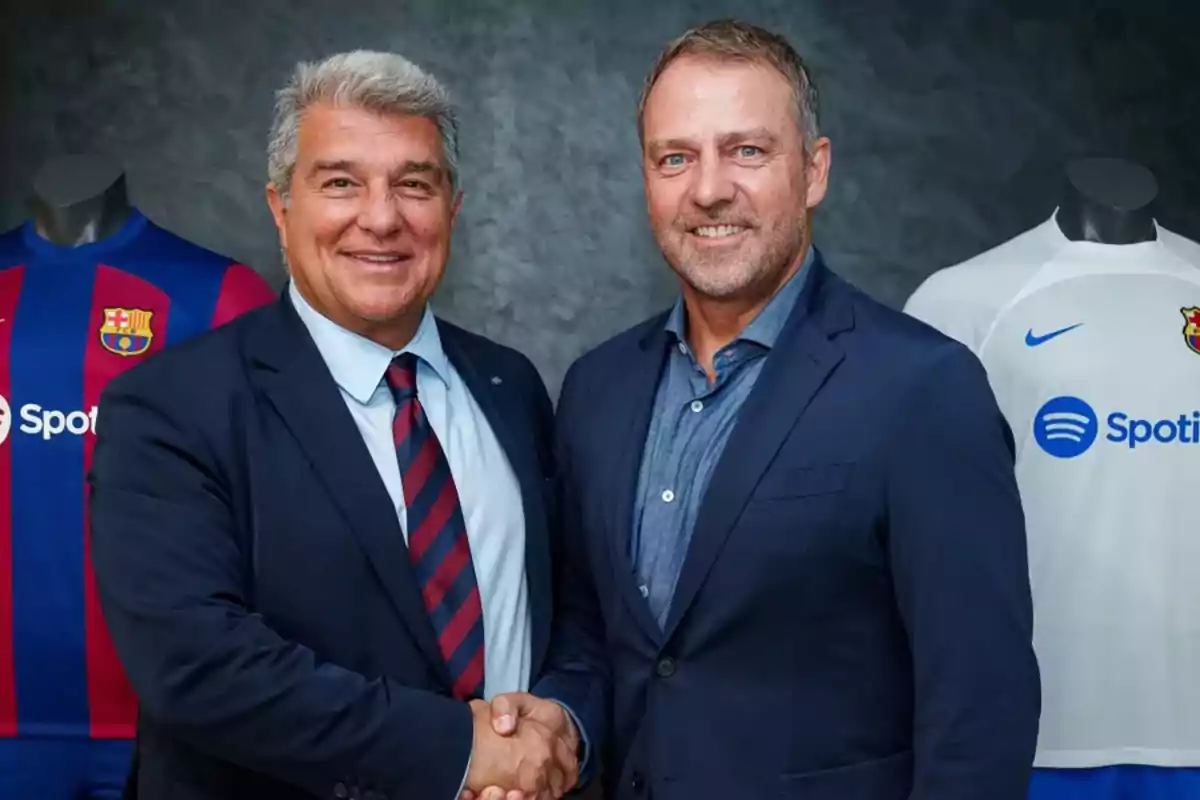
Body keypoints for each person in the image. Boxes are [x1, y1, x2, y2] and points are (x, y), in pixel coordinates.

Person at [477, 18, 1042, 800]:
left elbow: (980, 709)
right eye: (676, 157)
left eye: (747, 150)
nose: (708, 188)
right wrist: (561, 727)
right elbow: (595, 638)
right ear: (647, 180)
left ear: (813, 172)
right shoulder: (596, 389)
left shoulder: (923, 389)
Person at [87, 50, 578, 800]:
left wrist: (562, 726)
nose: (381, 218)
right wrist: (461, 753)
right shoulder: (169, 408)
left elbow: (575, 611)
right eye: (340, 182)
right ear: (281, 209)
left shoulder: (511, 387)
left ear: (453, 206)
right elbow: (199, 668)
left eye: (414, 184)